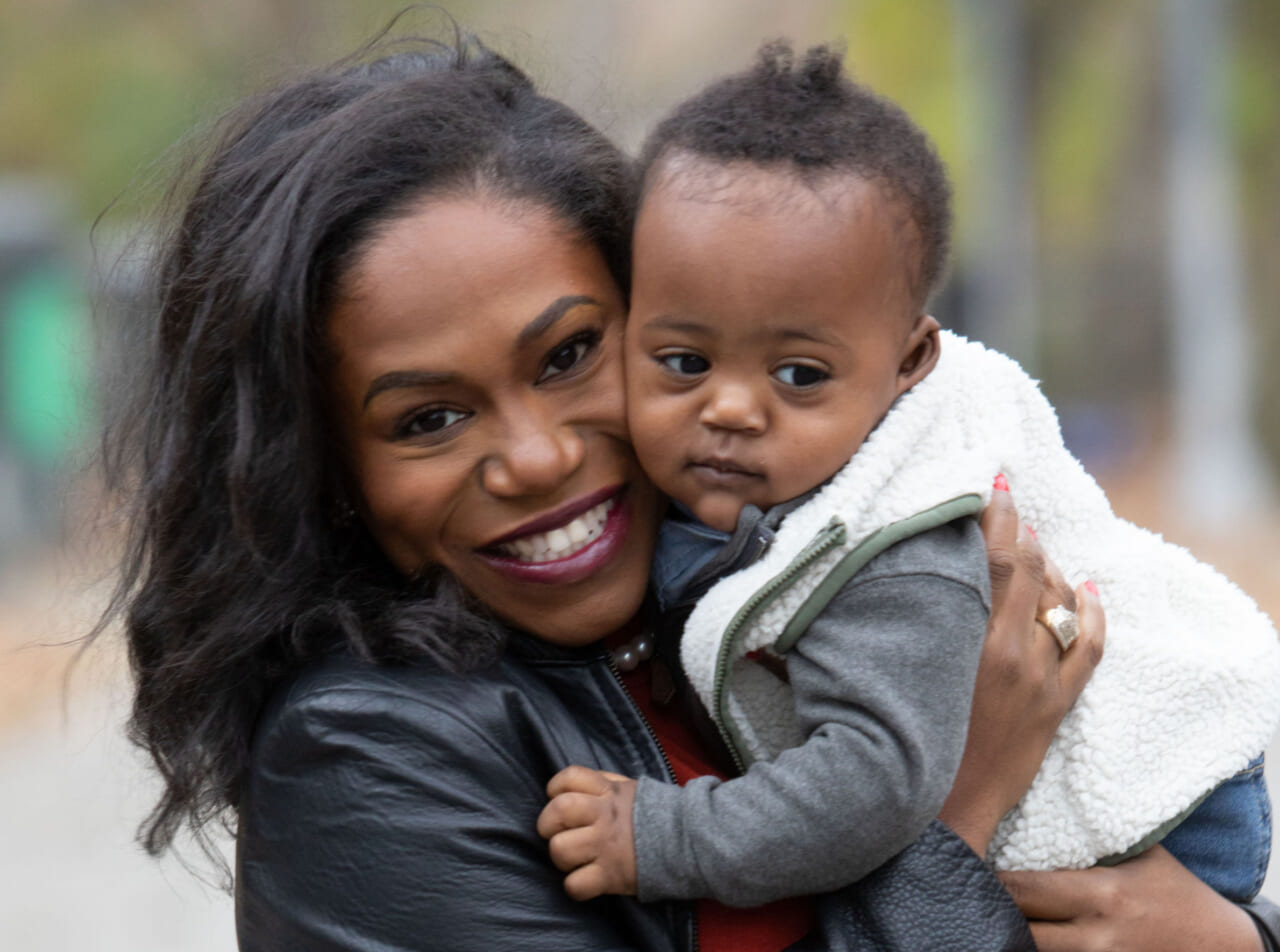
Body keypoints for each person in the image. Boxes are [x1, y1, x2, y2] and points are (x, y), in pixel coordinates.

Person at [97, 29, 1278, 952]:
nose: (538, 457)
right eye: (429, 419)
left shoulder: (764, 580)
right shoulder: (367, 760)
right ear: (326, 472)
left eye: (569, 355)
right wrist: (950, 820)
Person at [538, 39, 1280, 913]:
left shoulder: (897, 549)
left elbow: (874, 784)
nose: (730, 409)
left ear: (909, 362)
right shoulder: (758, 479)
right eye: (682, 359)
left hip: (1157, 822)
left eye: (799, 375)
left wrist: (665, 837)